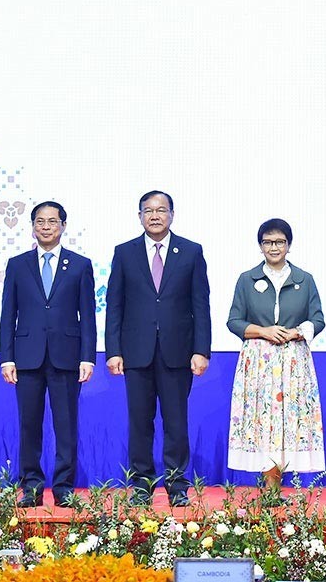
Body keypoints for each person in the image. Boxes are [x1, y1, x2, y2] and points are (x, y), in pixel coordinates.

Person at [105, 190, 210, 506]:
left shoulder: (191, 252)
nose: (154, 215)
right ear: (139, 216)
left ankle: (178, 486)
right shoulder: (125, 253)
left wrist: (201, 350)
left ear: (172, 215)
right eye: (148, 210)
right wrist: (113, 350)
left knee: (176, 421)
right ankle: (141, 484)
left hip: (178, 351)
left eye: (161, 210)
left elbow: (200, 305)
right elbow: (115, 305)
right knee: (140, 421)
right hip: (136, 352)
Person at [0, 201, 97, 508]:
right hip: (27, 357)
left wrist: (87, 357)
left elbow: (88, 315)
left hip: (66, 356)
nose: (45, 226)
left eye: (52, 221)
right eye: (40, 221)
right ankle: (31, 485)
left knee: (66, 425)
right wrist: (7, 357)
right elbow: (7, 314)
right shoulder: (18, 264)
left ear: (63, 226)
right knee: (29, 424)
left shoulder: (80, 265)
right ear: (32, 226)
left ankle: (64, 486)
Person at [226, 218, 326, 503]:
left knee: (288, 421)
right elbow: (234, 321)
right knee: (264, 420)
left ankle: (282, 486)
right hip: (259, 361)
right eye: (268, 242)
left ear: (289, 245)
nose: (274, 247)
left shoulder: (304, 279)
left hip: (294, 361)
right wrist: (264, 331)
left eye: (280, 242)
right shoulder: (247, 279)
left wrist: (297, 332)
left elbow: (318, 319)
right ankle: (269, 488)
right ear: (260, 246)